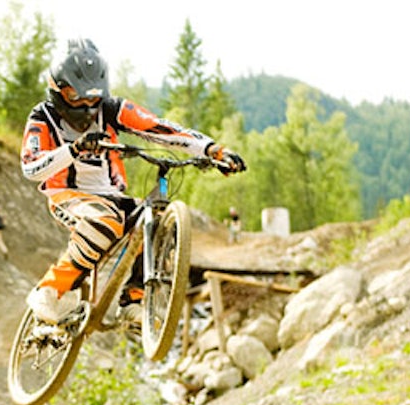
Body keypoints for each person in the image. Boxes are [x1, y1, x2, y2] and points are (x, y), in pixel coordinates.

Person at [21, 38, 246, 327]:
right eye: (76, 97)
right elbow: (31, 166)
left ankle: (134, 299)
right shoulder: (42, 117)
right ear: (57, 90)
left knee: (151, 222)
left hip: (111, 194)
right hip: (67, 193)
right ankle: (49, 290)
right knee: (106, 222)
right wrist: (74, 149)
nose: (87, 106)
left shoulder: (113, 109)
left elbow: (160, 128)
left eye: (93, 98)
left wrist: (212, 150)